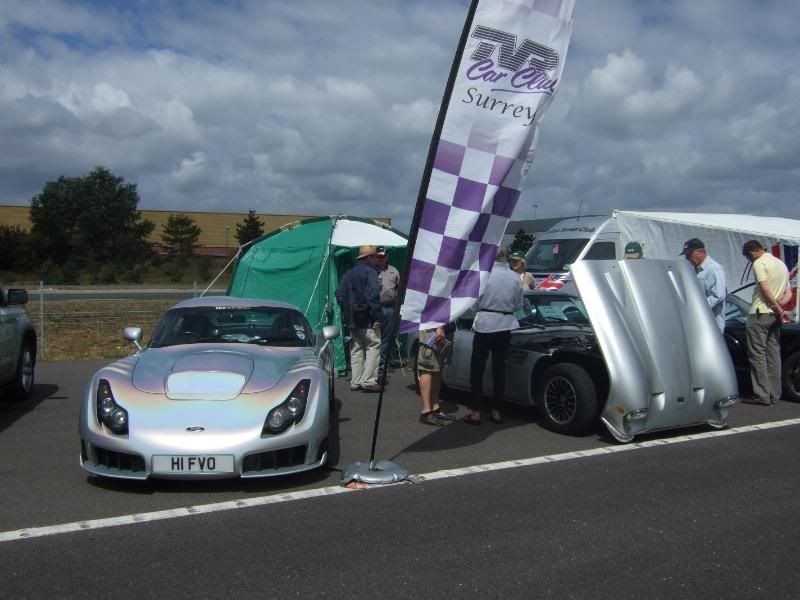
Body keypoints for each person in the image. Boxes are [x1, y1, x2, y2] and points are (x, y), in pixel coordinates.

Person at [465, 247, 523, 425]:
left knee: (477, 368)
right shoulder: (515, 277)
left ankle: (476, 411)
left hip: (485, 323)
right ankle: (497, 411)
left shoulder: (485, 275)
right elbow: (518, 304)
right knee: (499, 369)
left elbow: (474, 303)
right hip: (505, 323)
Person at [741, 240, 790, 405]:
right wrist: (779, 307)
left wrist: (776, 307)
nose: (750, 261)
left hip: (760, 313)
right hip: (774, 316)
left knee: (757, 354)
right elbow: (788, 293)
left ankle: (762, 394)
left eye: (749, 258)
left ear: (752, 253)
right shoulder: (780, 264)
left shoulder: (759, 263)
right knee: (773, 354)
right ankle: (775, 394)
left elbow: (765, 289)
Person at [337, 245, 383, 392]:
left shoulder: (349, 273)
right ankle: (368, 380)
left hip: (351, 319)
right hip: (367, 317)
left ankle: (355, 381)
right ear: (369, 257)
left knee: (357, 348)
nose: (377, 259)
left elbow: (339, 294)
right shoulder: (370, 272)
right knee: (373, 345)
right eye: (375, 256)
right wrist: (377, 316)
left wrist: (348, 309)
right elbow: (373, 296)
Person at [680, 238, 726, 332]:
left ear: (701, 252)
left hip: (712, 326)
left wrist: (697, 307)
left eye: (689, 254)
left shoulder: (714, 269)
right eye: (686, 255)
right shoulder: (694, 270)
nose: (687, 258)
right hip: (699, 324)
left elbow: (719, 295)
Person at [416, 325, 456, 426]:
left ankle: (435, 408)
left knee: (437, 370)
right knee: (427, 369)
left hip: (445, 329)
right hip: (432, 328)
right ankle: (426, 412)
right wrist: (439, 327)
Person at [375, 246, 400, 372]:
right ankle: (377, 363)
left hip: (390, 308)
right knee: (374, 337)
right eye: (378, 256)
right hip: (375, 308)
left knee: (387, 336)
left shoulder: (394, 271)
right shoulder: (372, 271)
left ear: (387, 256)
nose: (380, 259)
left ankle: (383, 363)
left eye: (383, 256)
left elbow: (399, 289)